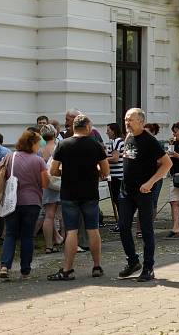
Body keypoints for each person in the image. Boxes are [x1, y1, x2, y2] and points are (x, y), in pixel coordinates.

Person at [48, 114, 109, 281]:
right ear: (88, 128)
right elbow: (105, 171)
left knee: (72, 231)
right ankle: (96, 266)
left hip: (69, 193)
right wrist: (95, 172)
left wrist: (65, 172)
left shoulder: (63, 144)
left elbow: (53, 171)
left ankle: (68, 269)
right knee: (93, 230)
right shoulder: (95, 145)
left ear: (73, 128)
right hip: (90, 193)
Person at [117, 108, 172, 281]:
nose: (127, 123)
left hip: (144, 191)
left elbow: (167, 164)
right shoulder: (128, 136)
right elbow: (131, 159)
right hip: (126, 190)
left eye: (130, 120)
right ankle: (133, 261)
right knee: (123, 226)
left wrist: (151, 182)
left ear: (141, 121)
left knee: (146, 229)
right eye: (125, 119)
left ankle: (148, 267)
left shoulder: (150, 141)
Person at [0, 130, 49, 280]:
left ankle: (4, 266)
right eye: (38, 144)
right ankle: (25, 270)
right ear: (32, 144)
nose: (38, 147)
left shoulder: (10, 157)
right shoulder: (39, 161)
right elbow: (45, 183)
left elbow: (1, 176)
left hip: (12, 202)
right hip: (32, 202)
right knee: (27, 236)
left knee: (10, 234)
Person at [39, 124, 64, 253]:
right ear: (55, 134)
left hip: (44, 183)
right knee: (60, 215)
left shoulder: (40, 150)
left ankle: (49, 245)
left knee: (48, 216)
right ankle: (63, 238)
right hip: (57, 183)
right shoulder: (57, 148)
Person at [105, 123, 125, 231]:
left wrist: (103, 160)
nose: (106, 132)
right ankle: (122, 223)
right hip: (118, 174)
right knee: (118, 200)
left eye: (108, 130)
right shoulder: (119, 141)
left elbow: (115, 158)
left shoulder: (117, 141)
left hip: (117, 175)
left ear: (113, 131)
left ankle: (121, 224)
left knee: (118, 200)